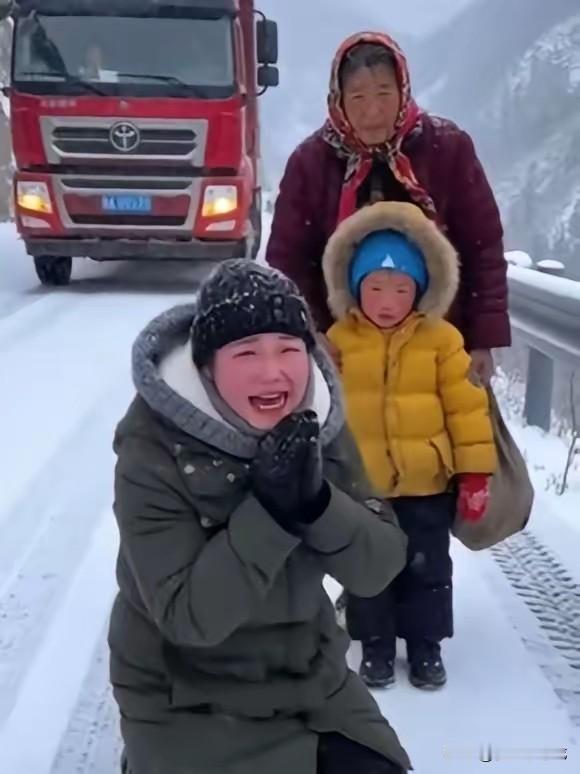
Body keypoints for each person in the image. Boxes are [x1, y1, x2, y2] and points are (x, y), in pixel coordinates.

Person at [108, 260, 413, 774]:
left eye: (289, 350)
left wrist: (316, 503)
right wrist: (270, 513)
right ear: (208, 366)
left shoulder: (318, 424)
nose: (273, 373)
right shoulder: (153, 448)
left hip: (310, 678)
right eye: (247, 353)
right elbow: (189, 618)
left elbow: (378, 568)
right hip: (186, 694)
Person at [266, 31, 510, 386]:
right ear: (338, 99)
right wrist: (309, 333)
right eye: (358, 97)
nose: (372, 111)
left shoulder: (447, 148)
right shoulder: (311, 162)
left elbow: (482, 247)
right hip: (343, 355)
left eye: (383, 93)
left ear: (403, 91)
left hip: (438, 351)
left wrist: (482, 340)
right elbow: (287, 261)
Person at [321, 201, 498, 689]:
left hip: (426, 485)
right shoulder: (338, 341)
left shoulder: (442, 341)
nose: (387, 301)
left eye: (401, 289)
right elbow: (325, 412)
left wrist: (474, 474)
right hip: (364, 487)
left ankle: (425, 646)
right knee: (367, 570)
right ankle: (375, 646)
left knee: (428, 570)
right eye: (375, 288)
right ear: (355, 288)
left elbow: (467, 411)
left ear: (420, 290)